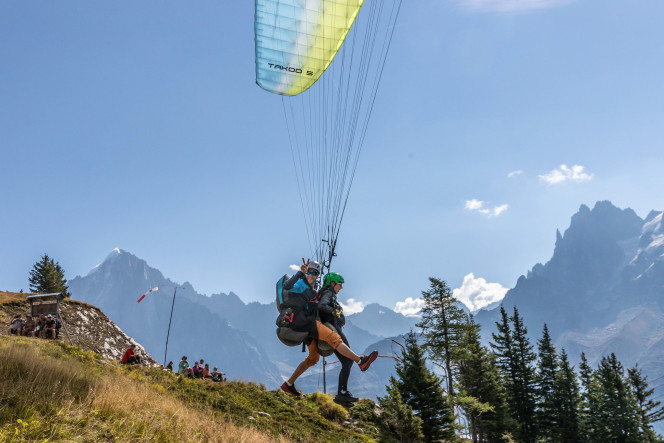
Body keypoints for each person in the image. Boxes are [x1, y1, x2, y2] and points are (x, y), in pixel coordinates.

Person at [280, 259, 378, 397]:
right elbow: (287, 286)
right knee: (333, 337)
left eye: (314, 273)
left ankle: (288, 384)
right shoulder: (301, 283)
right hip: (306, 322)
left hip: (306, 328)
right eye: (309, 272)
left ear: (318, 275)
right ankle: (360, 360)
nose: (311, 275)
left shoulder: (314, 290)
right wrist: (300, 273)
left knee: (313, 358)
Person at [318, 272, 358, 403]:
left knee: (347, 362)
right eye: (339, 284)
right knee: (348, 360)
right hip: (334, 330)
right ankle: (342, 393)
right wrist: (334, 311)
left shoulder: (327, 293)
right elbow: (322, 306)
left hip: (332, 329)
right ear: (332, 283)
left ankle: (342, 393)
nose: (341, 287)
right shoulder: (328, 293)